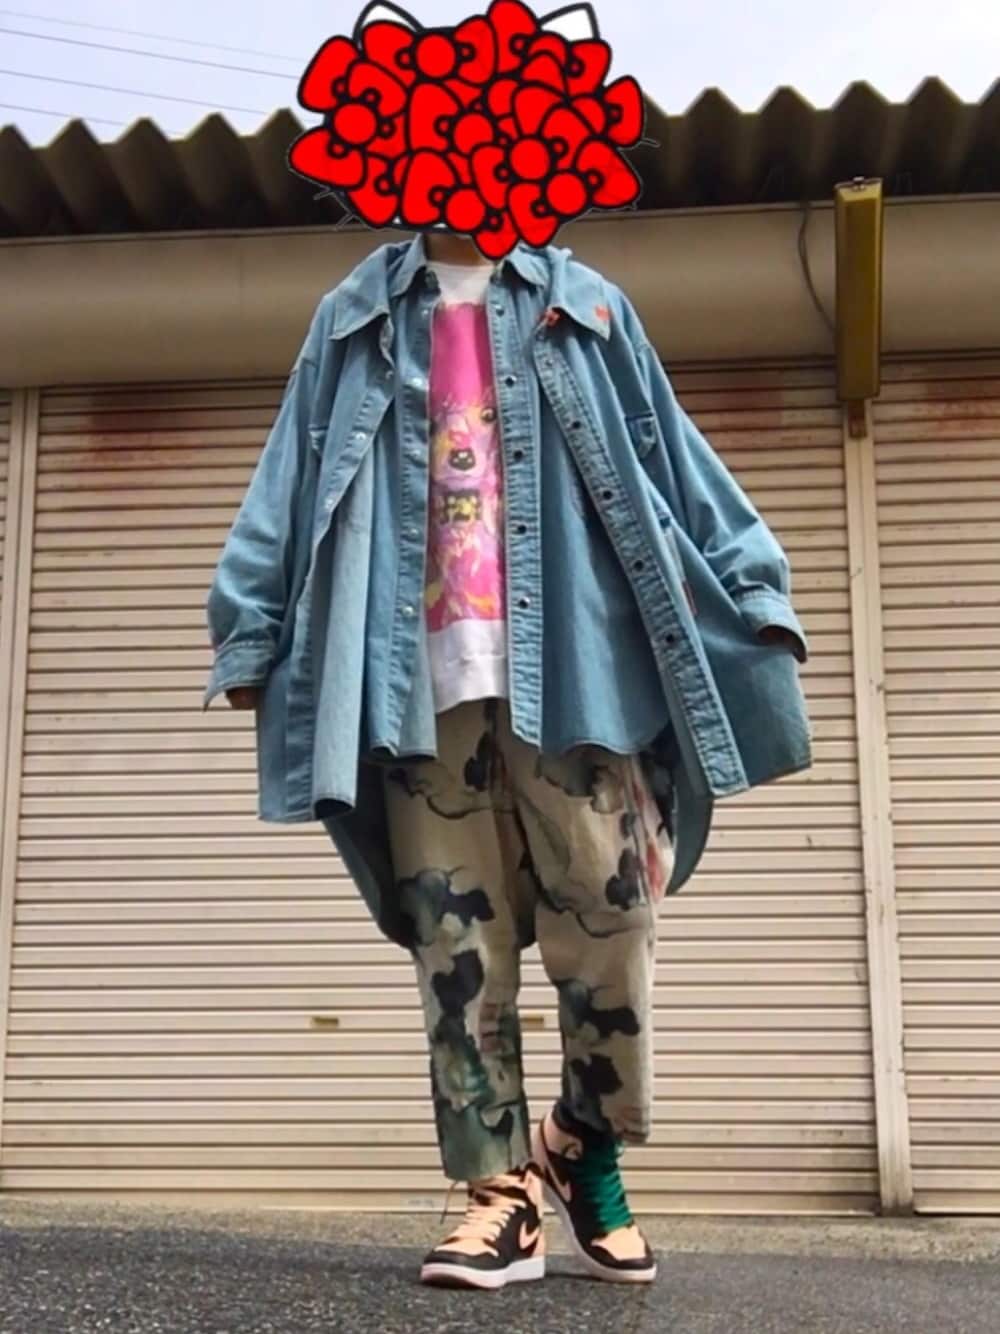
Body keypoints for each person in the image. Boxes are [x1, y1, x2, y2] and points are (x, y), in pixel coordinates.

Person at [205, 226, 810, 1289]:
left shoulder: (584, 305)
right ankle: (497, 1194)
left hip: (578, 662)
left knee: (615, 915)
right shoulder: (353, 317)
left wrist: (753, 583)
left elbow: (670, 453)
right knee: (455, 941)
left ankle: (583, 1143)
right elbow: (288, 474)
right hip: (416, 677)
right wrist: (248, 627)